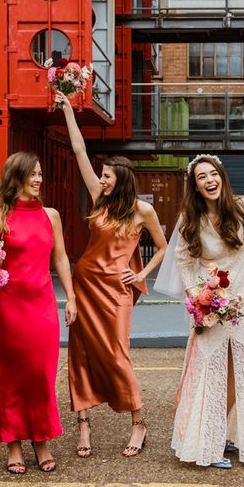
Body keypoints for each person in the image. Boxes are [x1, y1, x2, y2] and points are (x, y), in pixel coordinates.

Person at [56, 91, 167, 458]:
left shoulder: (141, 211)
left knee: (118, 353)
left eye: (106, 176)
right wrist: (69, 111)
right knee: (81, 354)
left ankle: (138, 422)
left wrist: (142, 276)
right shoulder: (98, 198)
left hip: (117, 291)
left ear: (119, 178)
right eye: (100, 175)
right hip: (86, 284)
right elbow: (78, 151)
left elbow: (164, 248)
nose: (100, 179)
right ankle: (83, 425)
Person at [167, 154, 244, 468]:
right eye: (202, 177)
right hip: (208, 299)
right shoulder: (189, 217)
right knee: (209, 367)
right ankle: (206, 441)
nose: (209, 180)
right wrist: (196, 297)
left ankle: (226, 432)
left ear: (222, 177)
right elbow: (184, 262)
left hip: (241, 298)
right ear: (195, 185)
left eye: (213, 174)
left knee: (240, 365)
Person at [0, 152, 77, 474]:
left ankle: (40, 439)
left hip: (43, 307)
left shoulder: (51, 215)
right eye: (33, 174)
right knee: (11, 376)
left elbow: (60, 259)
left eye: (40, 174)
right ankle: (13, 442)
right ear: (16, 177)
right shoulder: (0, 216)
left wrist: (70, 297)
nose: (39, 179)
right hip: (7, 307)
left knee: (41, 376)